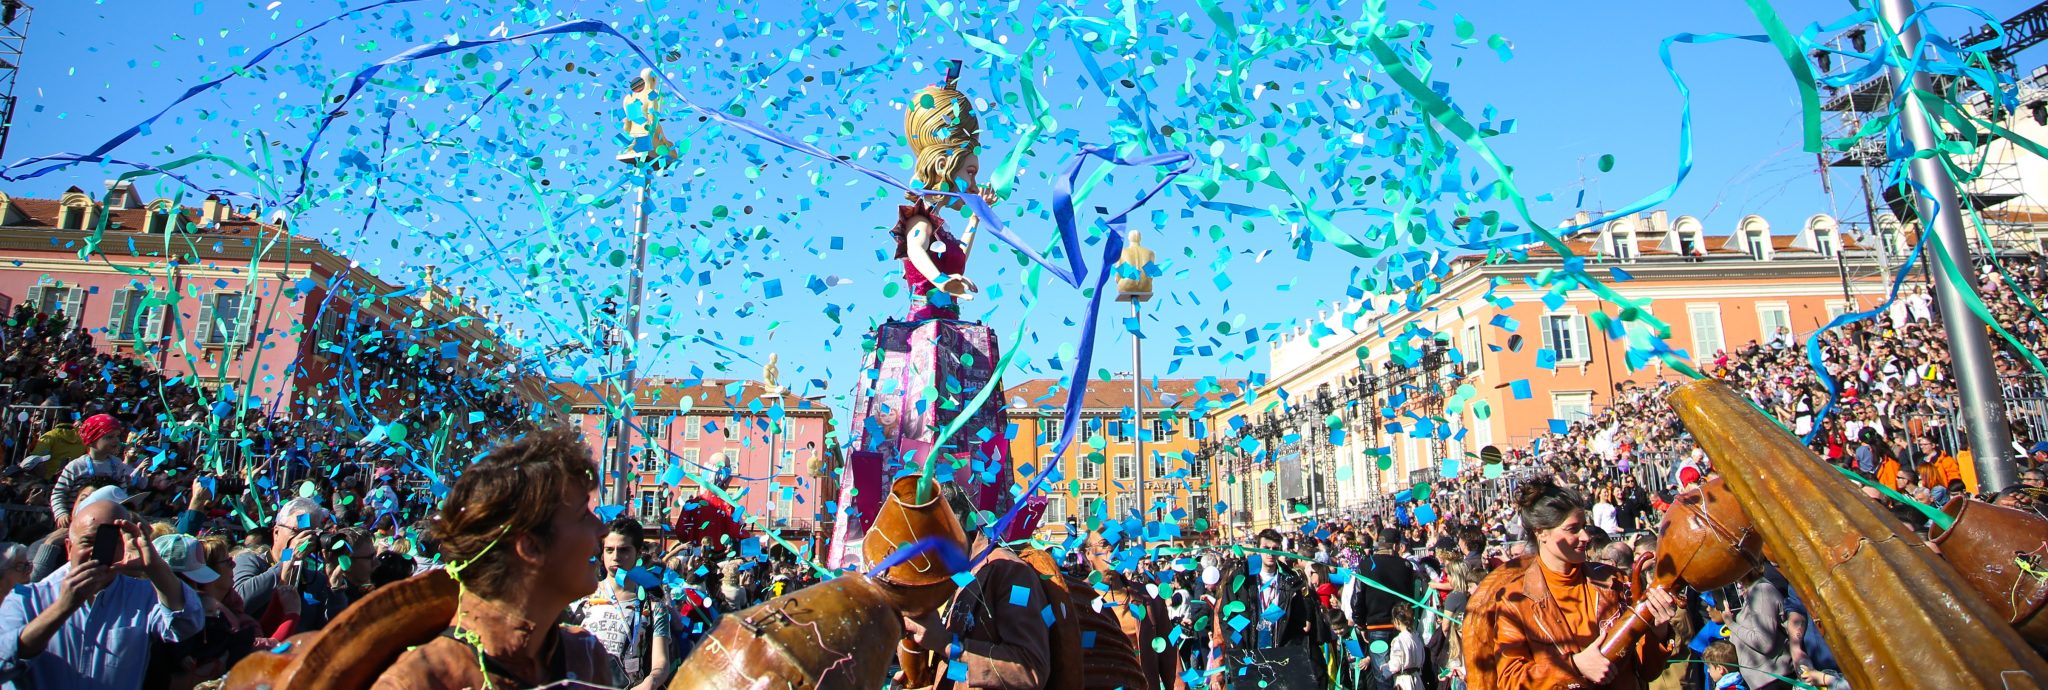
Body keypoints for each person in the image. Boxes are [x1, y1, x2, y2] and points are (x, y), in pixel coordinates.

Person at [371, 427, 615, 689]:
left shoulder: (585, 658)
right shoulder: (420, 681)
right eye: (583, 515)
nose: (603, 530)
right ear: (530, 546)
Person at [1462, 478, 1678, 689]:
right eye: (1573, 528)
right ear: (1541, 532)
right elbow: (1511, 681)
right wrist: (1574, 667)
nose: (1585, 536)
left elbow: (1647, 671)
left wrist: (1657, 631)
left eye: (1584, 526)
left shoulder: (1614, 581)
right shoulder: (1515, 600)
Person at [0, 493, 203, 689]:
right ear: (69, 548)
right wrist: (63, 607)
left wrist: (154, 566)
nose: (97, 552)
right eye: (88, 542)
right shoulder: (26, 599)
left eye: (110, 542)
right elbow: (3, 664)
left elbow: (187, 623)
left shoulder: (144, 595)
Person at [897, 483, 1050, 690]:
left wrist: (945, 643)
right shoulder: (951, 577)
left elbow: (1029, 669)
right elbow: (959, 671)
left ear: (949, 525)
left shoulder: (1011, 573)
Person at [568, 517, 675, 690]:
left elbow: (661, 663)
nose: (615, 557)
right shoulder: (581, 599)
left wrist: (651, 681)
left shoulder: (654, 607)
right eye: (609, 550)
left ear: (638, 553)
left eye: (624, 550)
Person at [1213, 529, 1321, 690]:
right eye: (1266, 548)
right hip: (1248, 652)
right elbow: (1225, 615)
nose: (1270, 553)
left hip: (1279, 654)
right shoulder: (1241, 578)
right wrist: (1237, 646)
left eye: (1275, 549)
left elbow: (1297, 621)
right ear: (1257, 549)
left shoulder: (1289, 580)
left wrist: (1289, 649)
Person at [233, 497, 350, 633]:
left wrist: (335, 588)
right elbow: (240, 601)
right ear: (276, 532)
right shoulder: (250, 561)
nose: (305, 540)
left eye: (311, 534)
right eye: (297, 532)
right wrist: (288, 560)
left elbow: (332, 631)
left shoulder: (314, 579)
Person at [1084, 530, 1181, 690]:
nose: (1112, 550)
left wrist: (1179, 683)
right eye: (1105, 544)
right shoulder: (1077, 597)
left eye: (1118, 544)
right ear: (1088, 553)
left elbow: (1169, 651)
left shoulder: (1148, 597)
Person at [1348, 527, 1418, 690]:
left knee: (1383, 676)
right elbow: (1413, 596)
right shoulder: (1406, 565)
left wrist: (1360, 624)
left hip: (1376, 628)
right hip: (1401, 628)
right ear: (1395, 546)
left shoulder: (1366, 565)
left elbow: (1357, 597)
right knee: (1403, 673)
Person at [49, 414, 140, 528]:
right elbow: (58, 493)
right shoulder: (76, 466)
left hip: (105, 522)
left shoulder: (118, 465)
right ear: (92, 440)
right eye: (109, 437)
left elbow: (122, 494)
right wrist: (61, 513)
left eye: (117, 436)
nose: (116, 440)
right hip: (76, 523)